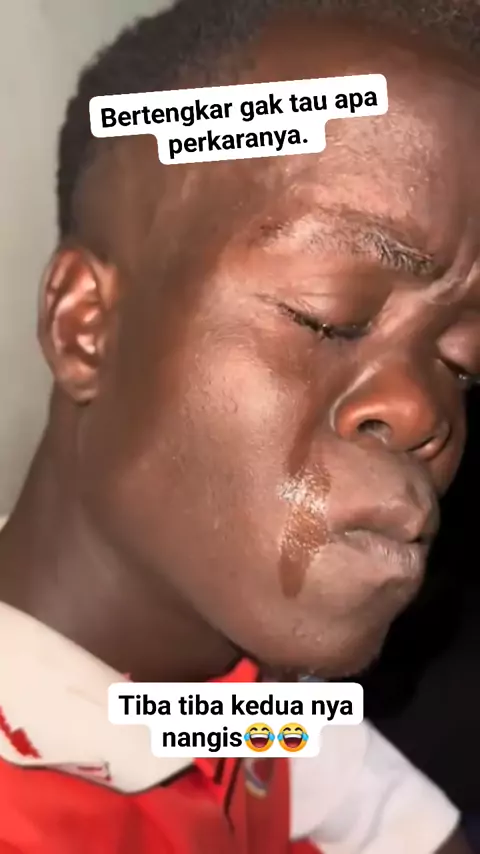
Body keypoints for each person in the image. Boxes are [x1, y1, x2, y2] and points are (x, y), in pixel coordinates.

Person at [0, 0, 479, 850]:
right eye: (329, 316)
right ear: (86, 326)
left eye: (463, 365)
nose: (422, 412)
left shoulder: (229, 685)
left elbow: (383, 812)